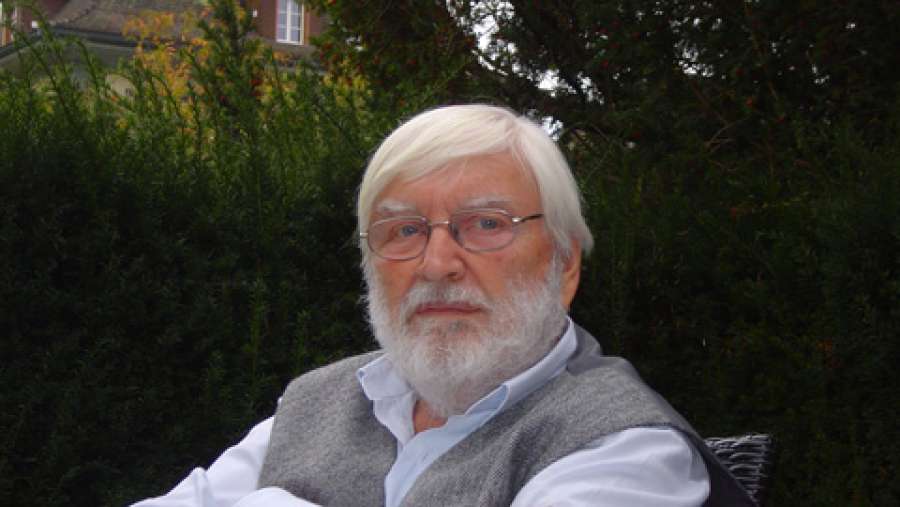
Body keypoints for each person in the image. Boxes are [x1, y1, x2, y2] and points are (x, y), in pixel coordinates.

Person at [133, 104, 754, 507]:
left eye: (486, 224)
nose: (436, 264)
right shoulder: (314, 404)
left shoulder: (624, 448)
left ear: (564, 265)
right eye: (403, 230)